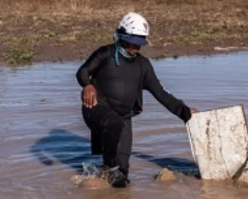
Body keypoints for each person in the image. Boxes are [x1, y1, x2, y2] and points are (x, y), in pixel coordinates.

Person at [75, 12, 197, 188]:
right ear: (122, 36)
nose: (135, 48)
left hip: (123, 118)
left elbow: (161, 93)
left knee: (122, 178)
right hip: (95, 109)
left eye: (139, 44)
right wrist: (87, 85)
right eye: (132, 42)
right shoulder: (105, 54)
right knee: (113, 124)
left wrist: (184, 112)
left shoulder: (143, 66)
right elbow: (83, 72)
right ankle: (108, 168)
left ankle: (107, 187)